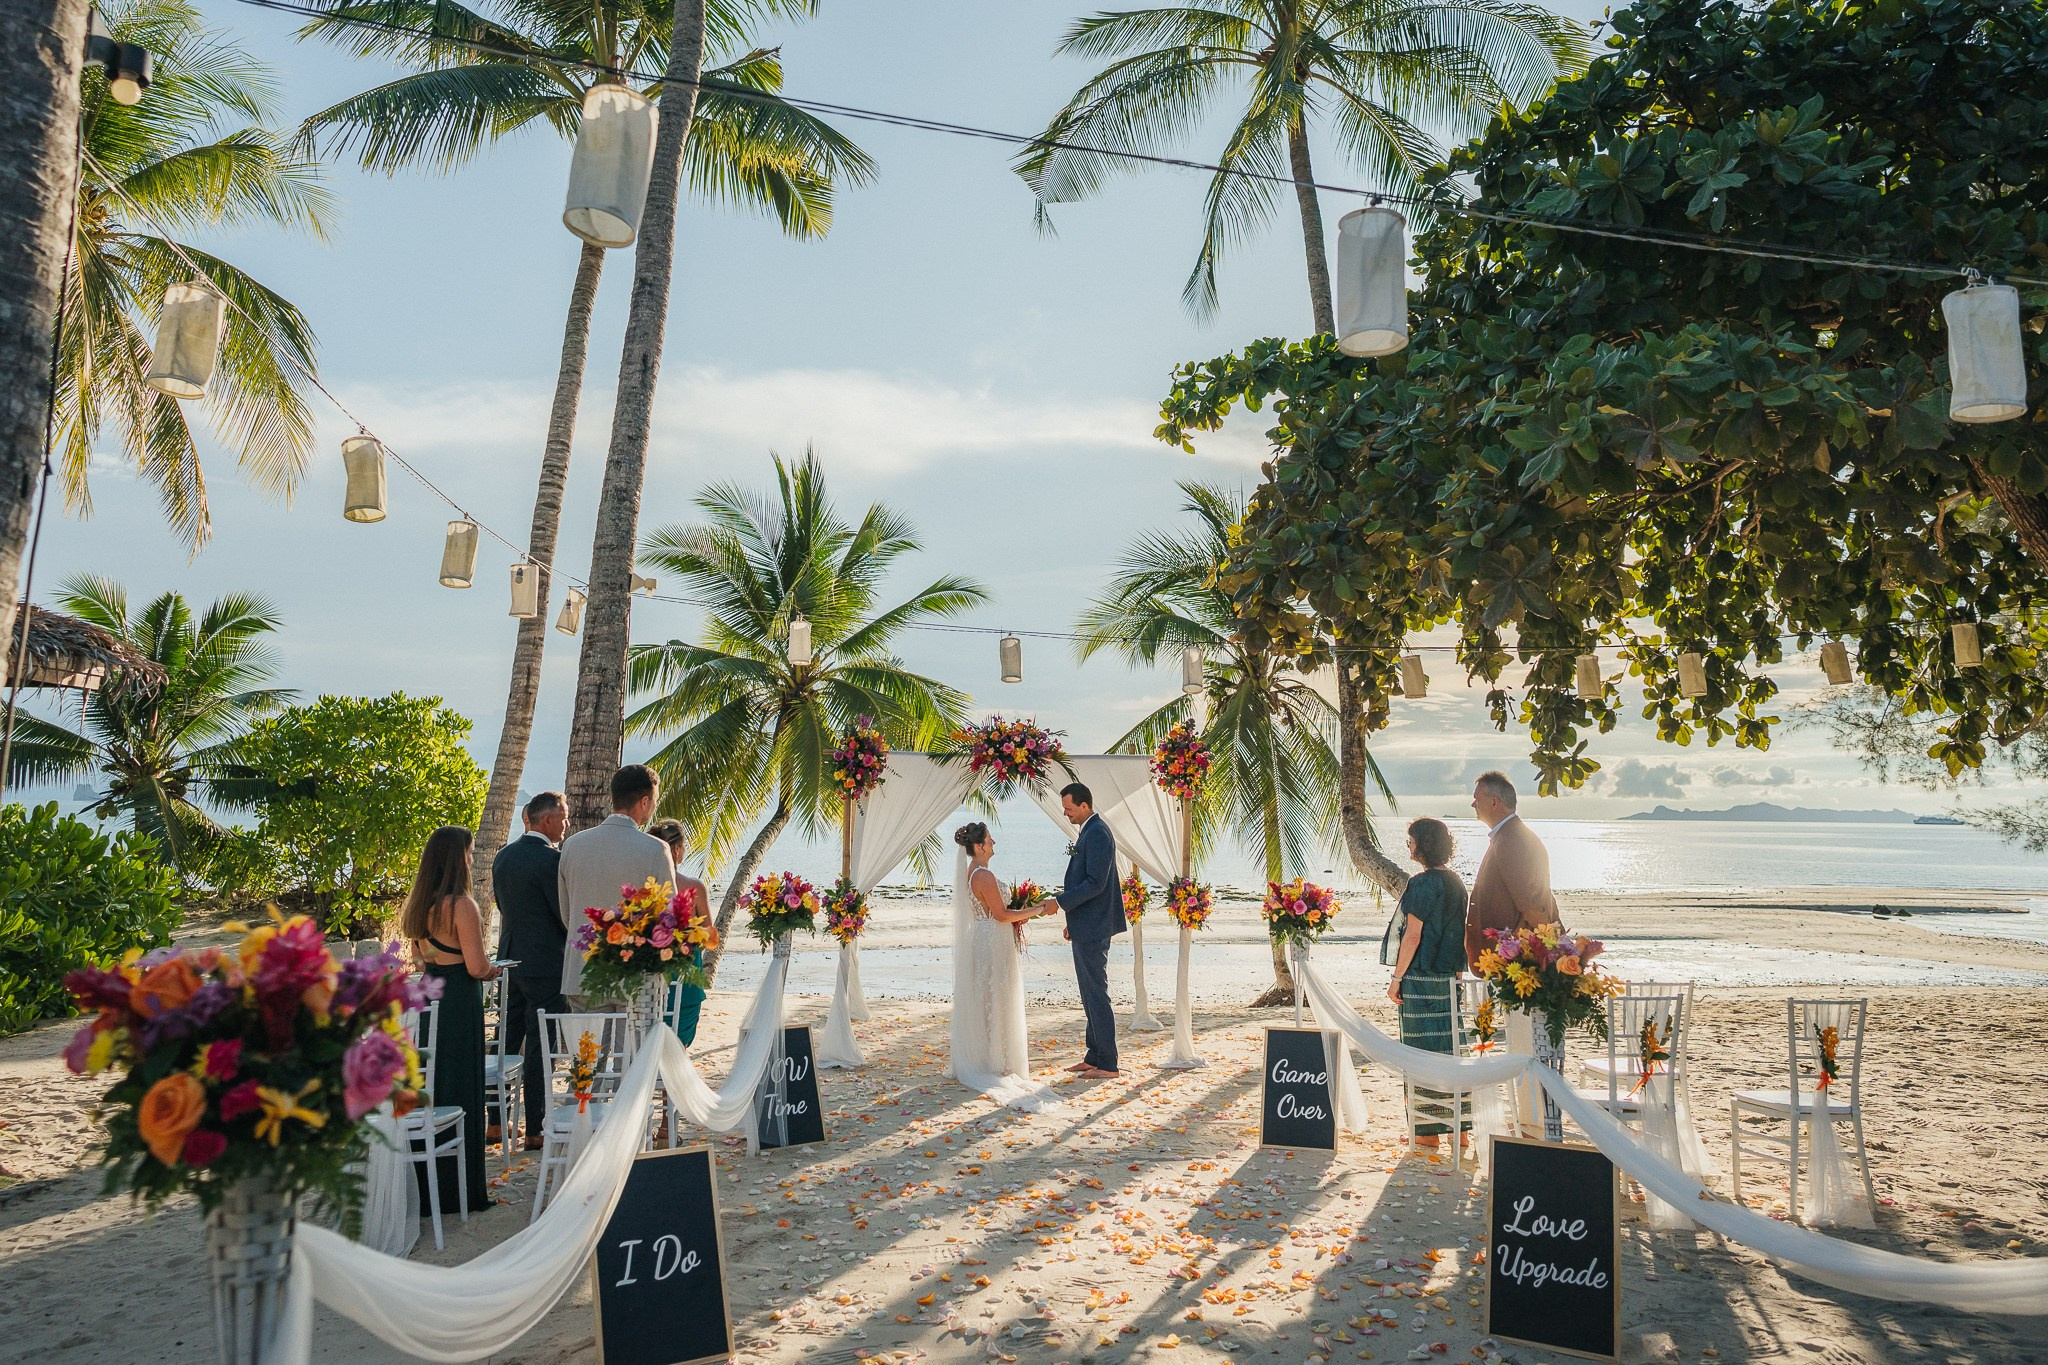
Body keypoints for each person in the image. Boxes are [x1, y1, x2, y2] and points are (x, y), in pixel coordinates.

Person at [400, 825, 499, 1214]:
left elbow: (420, 962)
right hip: (458, 1002)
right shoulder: (462, 906)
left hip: (430, 1000)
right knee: (461, 1087)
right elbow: (476, 966)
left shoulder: (419, 906)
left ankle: (428, 1190)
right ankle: (461, 1191)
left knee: (434, 1086)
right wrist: (494, 970)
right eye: (470, 853)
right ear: (459, 858)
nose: (473, 860)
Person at [1462, 769, 1560, 1135]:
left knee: (1525, 1047)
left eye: (1477, 798)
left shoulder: (1514, 839)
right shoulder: (1508, 837)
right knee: (1521, 1045)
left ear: (1494, 801)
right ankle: (1529, 1122)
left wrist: (1541, 953)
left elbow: (1533, 904)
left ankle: (1533, 1125)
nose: (1472, 803)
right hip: (1513, 962)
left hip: (1522, 965)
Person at [946, 821, 1062, 1111]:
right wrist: (1037, 909)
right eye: (989, 839)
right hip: (992, 940)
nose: (993, 843)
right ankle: (995, 1061)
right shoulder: (983, 875)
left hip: (986, 938)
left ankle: (989, 1055)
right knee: (997, 997)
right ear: (979, 846)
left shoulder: (971, 871)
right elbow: (1000, 914)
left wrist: (1021, 912)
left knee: (989, 997)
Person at [557, 764, 675, 1008]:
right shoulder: (656, 849)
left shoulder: (572, 845)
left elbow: (567, 915)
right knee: (634, 1036)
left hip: (582, 971)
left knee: (586, 1036)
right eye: (654, 800)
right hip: (636, 976)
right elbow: (669, 916)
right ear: (644, 801)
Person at [1386, 817, 1470, 1150]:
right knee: (1451, 1051)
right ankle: (1459, 1131)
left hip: (1420, 979)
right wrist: (1458, 978)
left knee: (1419, 1053)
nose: (1409, 846)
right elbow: (1459, 935)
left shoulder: (1421, 884)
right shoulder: (1457, 883)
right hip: (1448, 978)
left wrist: (1396, 979)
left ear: (1423, 843)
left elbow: (1413, 936)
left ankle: (1426, 1133)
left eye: (1411, 840)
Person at [491, 791, 566, 1151]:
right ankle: (535, 1127)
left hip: (509, 958)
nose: (567, 824)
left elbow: (503, 906)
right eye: (563, 817)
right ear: (547, 819)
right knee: (540, 1044)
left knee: (505, 1039)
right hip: (545, 963)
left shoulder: (503, 856)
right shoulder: (551, 860)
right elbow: (561, 913)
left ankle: (495, 1121)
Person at [1043, 782, 1124, 1078]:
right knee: (1088, 993)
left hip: (1095, 925)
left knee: (1096, 993)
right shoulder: (1089, 830)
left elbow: (1095, 883)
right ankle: (1094, 1055)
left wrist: (1059, 903)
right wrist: (1072, 920)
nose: (1065, 814)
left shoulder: (1098, 832)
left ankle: (1108, 1063)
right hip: (1085, 923)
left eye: (1068, 808)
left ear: (1084, 805)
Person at [647, 818, 711, 1047]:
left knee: (648, 1041)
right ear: (675, 849)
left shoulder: (644, 887)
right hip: (687, 975)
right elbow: (710, 935)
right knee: (679, 1044)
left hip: (651, 973)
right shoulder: (694, 887)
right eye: (683, 846)